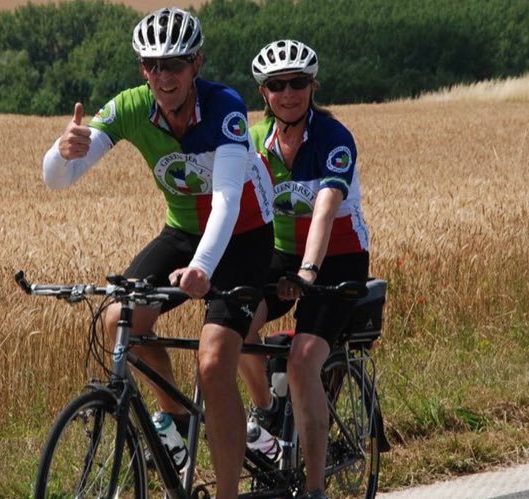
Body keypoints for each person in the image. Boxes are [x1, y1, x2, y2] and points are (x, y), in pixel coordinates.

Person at [40, 7, 274, 497]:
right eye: (152, 65)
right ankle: (174, 421)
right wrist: (61, 155)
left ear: (196, 65)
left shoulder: (225, 107)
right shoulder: (130, 106)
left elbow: (228, 200)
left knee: (213, 364)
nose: (163, 76)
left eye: (175, 64)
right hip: (183, 232)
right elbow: (61, 180)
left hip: (244, 237)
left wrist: (203, 269)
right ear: (142, 70)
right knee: (118, 318)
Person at [243, 39, 371, 499]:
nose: (288, 92)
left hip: (337, 258)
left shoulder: (334, 139)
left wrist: (310, 273)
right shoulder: (256, 142)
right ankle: (266, 417)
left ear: (313, 86)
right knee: (235, 326)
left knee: (301, 363)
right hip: (281, 253)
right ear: (264, 94)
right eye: (276, 85)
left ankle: (314, 488)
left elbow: (324, 209)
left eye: (298, 83)